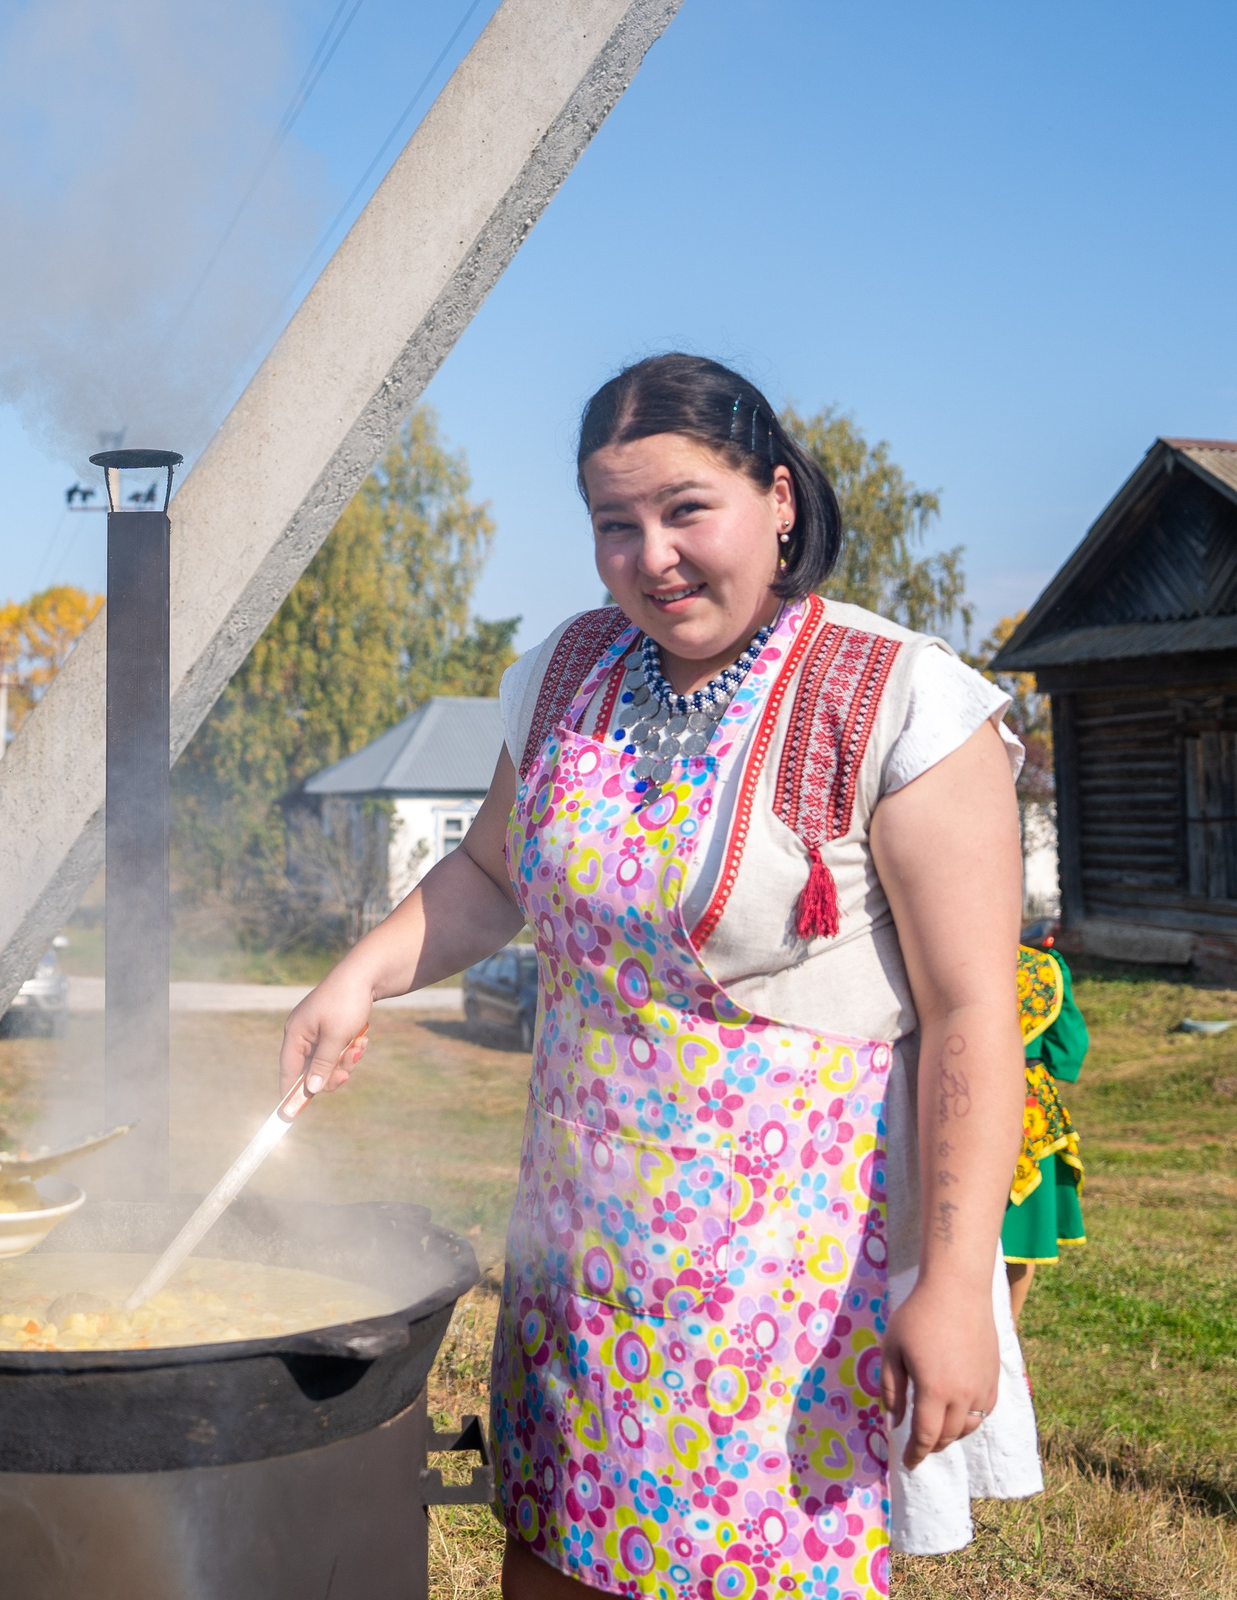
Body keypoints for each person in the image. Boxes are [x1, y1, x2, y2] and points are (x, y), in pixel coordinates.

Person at [280, 355, 1033, 1598]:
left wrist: (954, 1282)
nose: (652, 556)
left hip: (785, 1290)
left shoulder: (900, 700)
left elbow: (967, 1017)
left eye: (687, 509)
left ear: (778, 498)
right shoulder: (569, 672)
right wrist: (358, 974)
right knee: (558, 1555)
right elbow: (489, 873)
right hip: (581, 1256)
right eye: (613, 525)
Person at [1004, 938, 1088, 1319]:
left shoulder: (940, 950)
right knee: (1021, 1229)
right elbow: (1067, 1052)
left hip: (957, 1086)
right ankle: (1009, 1331)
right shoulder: (1042, 967)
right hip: (1028, 1103)